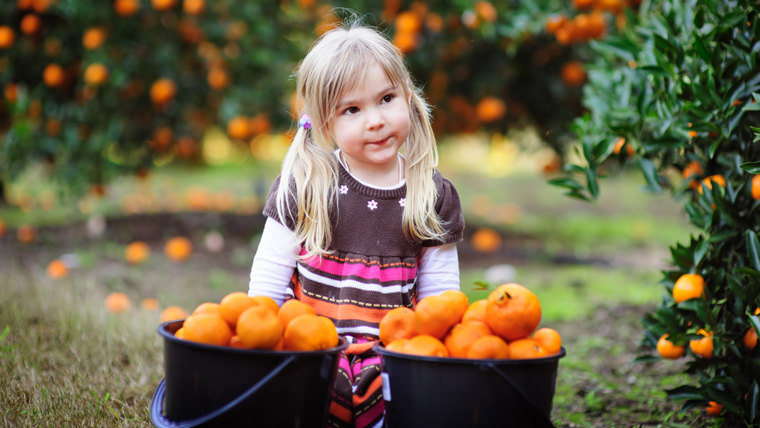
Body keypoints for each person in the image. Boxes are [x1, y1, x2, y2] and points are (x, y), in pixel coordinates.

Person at [248, 20, 464, 428]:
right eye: (352, 109)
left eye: (386, 98)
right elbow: (266, 292)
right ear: (326, 125)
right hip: (309, 358)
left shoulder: (430, 194)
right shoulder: (306, 186)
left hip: (392, 364)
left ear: (408, 97)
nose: (376, 120)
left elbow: (440, 304)